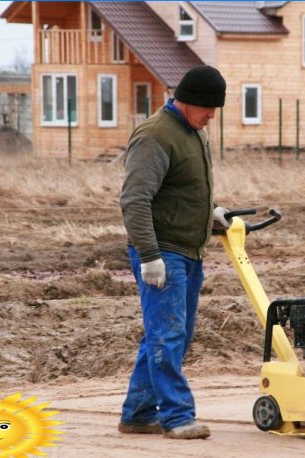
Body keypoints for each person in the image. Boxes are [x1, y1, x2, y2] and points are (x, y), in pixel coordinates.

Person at [118, 65, 229, 440]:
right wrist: (149, 256)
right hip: (163, 253)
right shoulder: (155, 136)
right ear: (187, 101)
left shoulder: (192, 132)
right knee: (168, 334)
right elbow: (135, 199)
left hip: (189, 250)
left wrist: (209, 213)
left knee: (167, 335)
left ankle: (137, 414)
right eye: (208, 108)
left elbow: (180, 189)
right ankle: (178, 417)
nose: (212, 115)